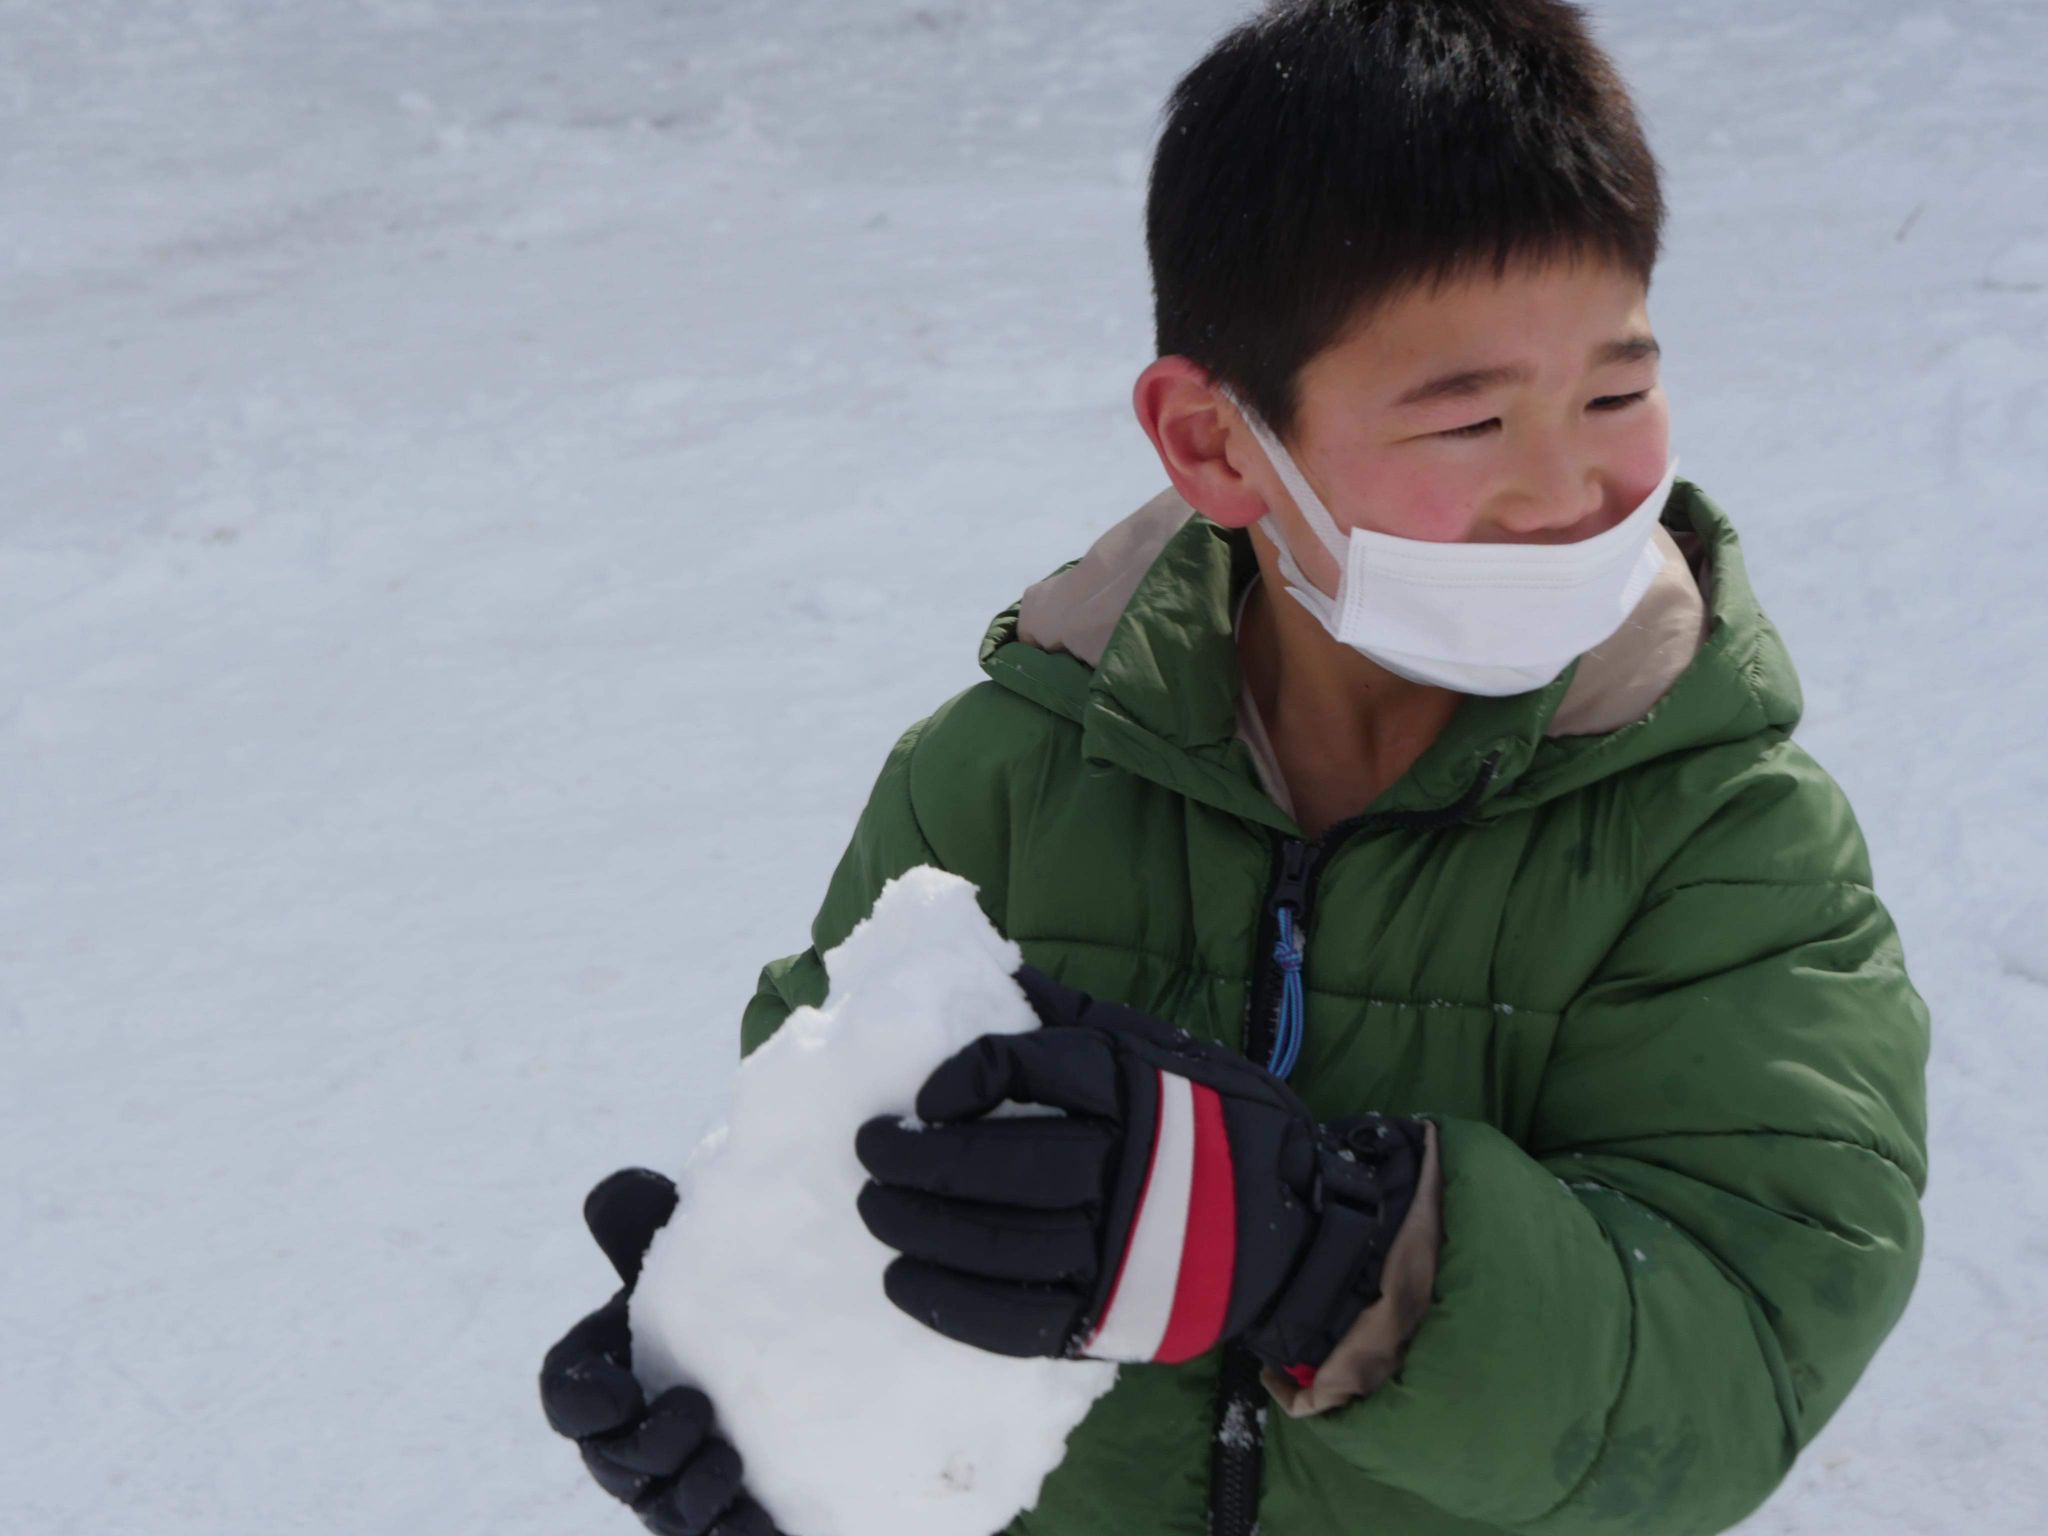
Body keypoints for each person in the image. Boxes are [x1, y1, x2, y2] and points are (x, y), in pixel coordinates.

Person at [538, 2, 1931, 1533]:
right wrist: (781, 1398)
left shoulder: (1723, 836)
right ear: (1215, 444)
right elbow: (872, 1214)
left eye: (1615, 393)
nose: (1564, 488)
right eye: (1471, 417)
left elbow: (1740, 1358)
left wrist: (1333, 1256)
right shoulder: (996, 790)